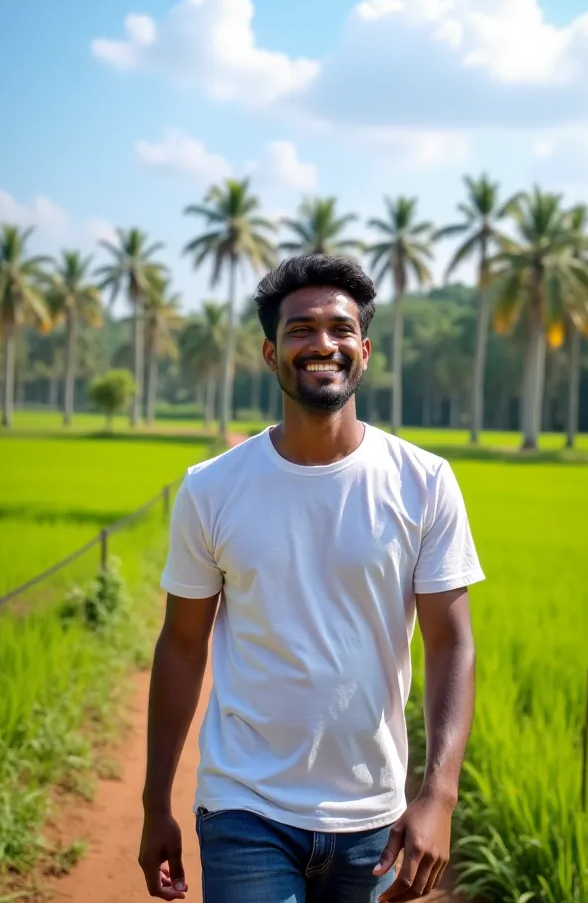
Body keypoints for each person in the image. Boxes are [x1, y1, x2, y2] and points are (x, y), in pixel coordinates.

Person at [138, 254, 485, 903]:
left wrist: (438, 794)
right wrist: (156, 803)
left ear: (365, 349)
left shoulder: (424, 482)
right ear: (271, 354)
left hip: (372, 816)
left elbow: (451, 643)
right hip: (245, 804)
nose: (322, 343)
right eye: (300, 330)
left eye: (339, 328)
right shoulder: (211, 489)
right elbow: (182, 646)